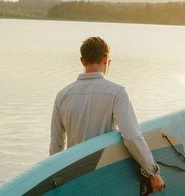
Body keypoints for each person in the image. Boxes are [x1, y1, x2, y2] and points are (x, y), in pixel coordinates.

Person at [50, 37, 165, 193]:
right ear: (105, 59)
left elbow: (56, 147)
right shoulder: (116, 93)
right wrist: (153, 171)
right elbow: (131, 137)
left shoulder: (62, 95)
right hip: (105, 177)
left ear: (82, 61)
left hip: (75, 180)